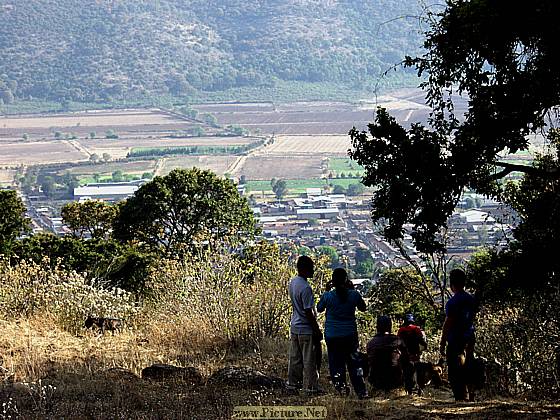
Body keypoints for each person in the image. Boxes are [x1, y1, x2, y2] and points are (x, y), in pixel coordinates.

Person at [317, 268, 368, 398]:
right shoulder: (353, 295)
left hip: (333, 336)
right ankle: (361, 392)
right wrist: (352, 289)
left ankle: (342, 391)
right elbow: (363, 308)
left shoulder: (328, 296)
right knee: (354, 364)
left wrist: (326, 290)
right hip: (350, 335)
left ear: (333, 281)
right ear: (346, 280)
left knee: (336, 364)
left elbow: (319, 308)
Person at [439, 268, 477, 401]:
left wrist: (442, 342)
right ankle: (471, 394)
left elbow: (448, 324)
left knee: (455, 370)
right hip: (469, 337)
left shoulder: (452, 303)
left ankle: (461, 398)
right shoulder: (471, 300)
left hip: (456, 340)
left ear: (452, 284)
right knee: (469, 365)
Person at [287, 255, 322, 393]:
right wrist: (316, 330)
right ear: (305, 269)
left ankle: (293, 385)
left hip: (295, 326)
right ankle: (312, 387)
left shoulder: (293, 282)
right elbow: (309, 312)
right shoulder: (306, 288)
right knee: (309, 360)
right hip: (306, 329)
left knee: (295, 359)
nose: (313, 271)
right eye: (311, 268)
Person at [367, 315, 409, 391]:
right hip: (395, 381)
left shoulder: (371, 343)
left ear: (377, 327)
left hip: (376, 382)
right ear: (390, 326)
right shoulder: (398, 341)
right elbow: (407, 359)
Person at [398, 313, 428, 395]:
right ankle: (419, 390)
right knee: (418, 372)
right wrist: (424, 347)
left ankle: (409, 391)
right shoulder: (417, 329)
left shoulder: (401, 330)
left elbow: (399, 343)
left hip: (405, 355)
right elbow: (422, 341)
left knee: (407, 374)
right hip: (416, 355)